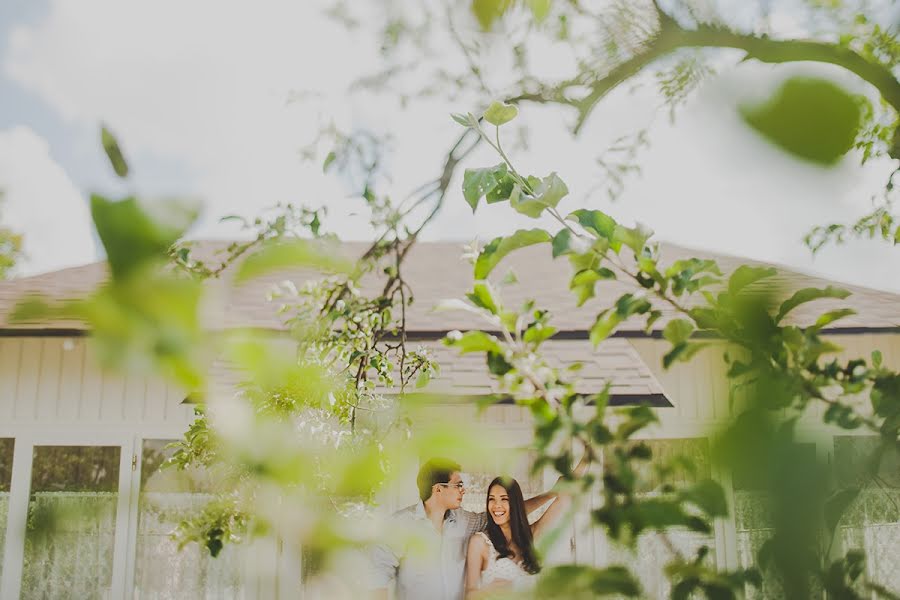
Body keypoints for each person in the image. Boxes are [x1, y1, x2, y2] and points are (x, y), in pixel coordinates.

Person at [369, 458, 559, 600]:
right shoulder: (400, 525)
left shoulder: (464, 520)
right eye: (458, 485)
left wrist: (549, 495)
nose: (463, 490)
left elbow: (505, 512)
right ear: (438, 489)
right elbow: (377, 576)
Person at [465, 455, 590, 598]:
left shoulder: (531, 535)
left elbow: (564, 496)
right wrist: (490, 591)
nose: (496, 505)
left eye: (504, 499)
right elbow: (470, 594)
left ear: (515, 504)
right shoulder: (479, 542)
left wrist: (587, 456)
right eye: (491, 499)